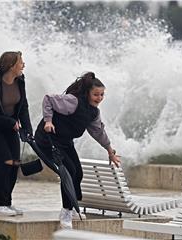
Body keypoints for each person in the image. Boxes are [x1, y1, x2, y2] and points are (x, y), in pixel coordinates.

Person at [34, 72, 121, 229]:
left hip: (65, 142)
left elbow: (98, 132)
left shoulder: (93, 112)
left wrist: (109, 150)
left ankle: (72, 207)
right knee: (68, 171)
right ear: (87, 92)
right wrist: (48, 121)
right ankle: (66, 212)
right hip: (48, 139)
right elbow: (48, 99)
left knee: (78, 173)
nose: (99, 98)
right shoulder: (73, 101)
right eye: (96, 94)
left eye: (102, 95)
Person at [0, 51, 33, 216]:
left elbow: (23, 107)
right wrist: (10, 122)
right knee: (5, 161)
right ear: (11, 66)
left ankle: (6, 203)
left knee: (15, 163)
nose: (23, 65)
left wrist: (28, 129)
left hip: (10, 127)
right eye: (21, 62)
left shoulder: (20, 81)